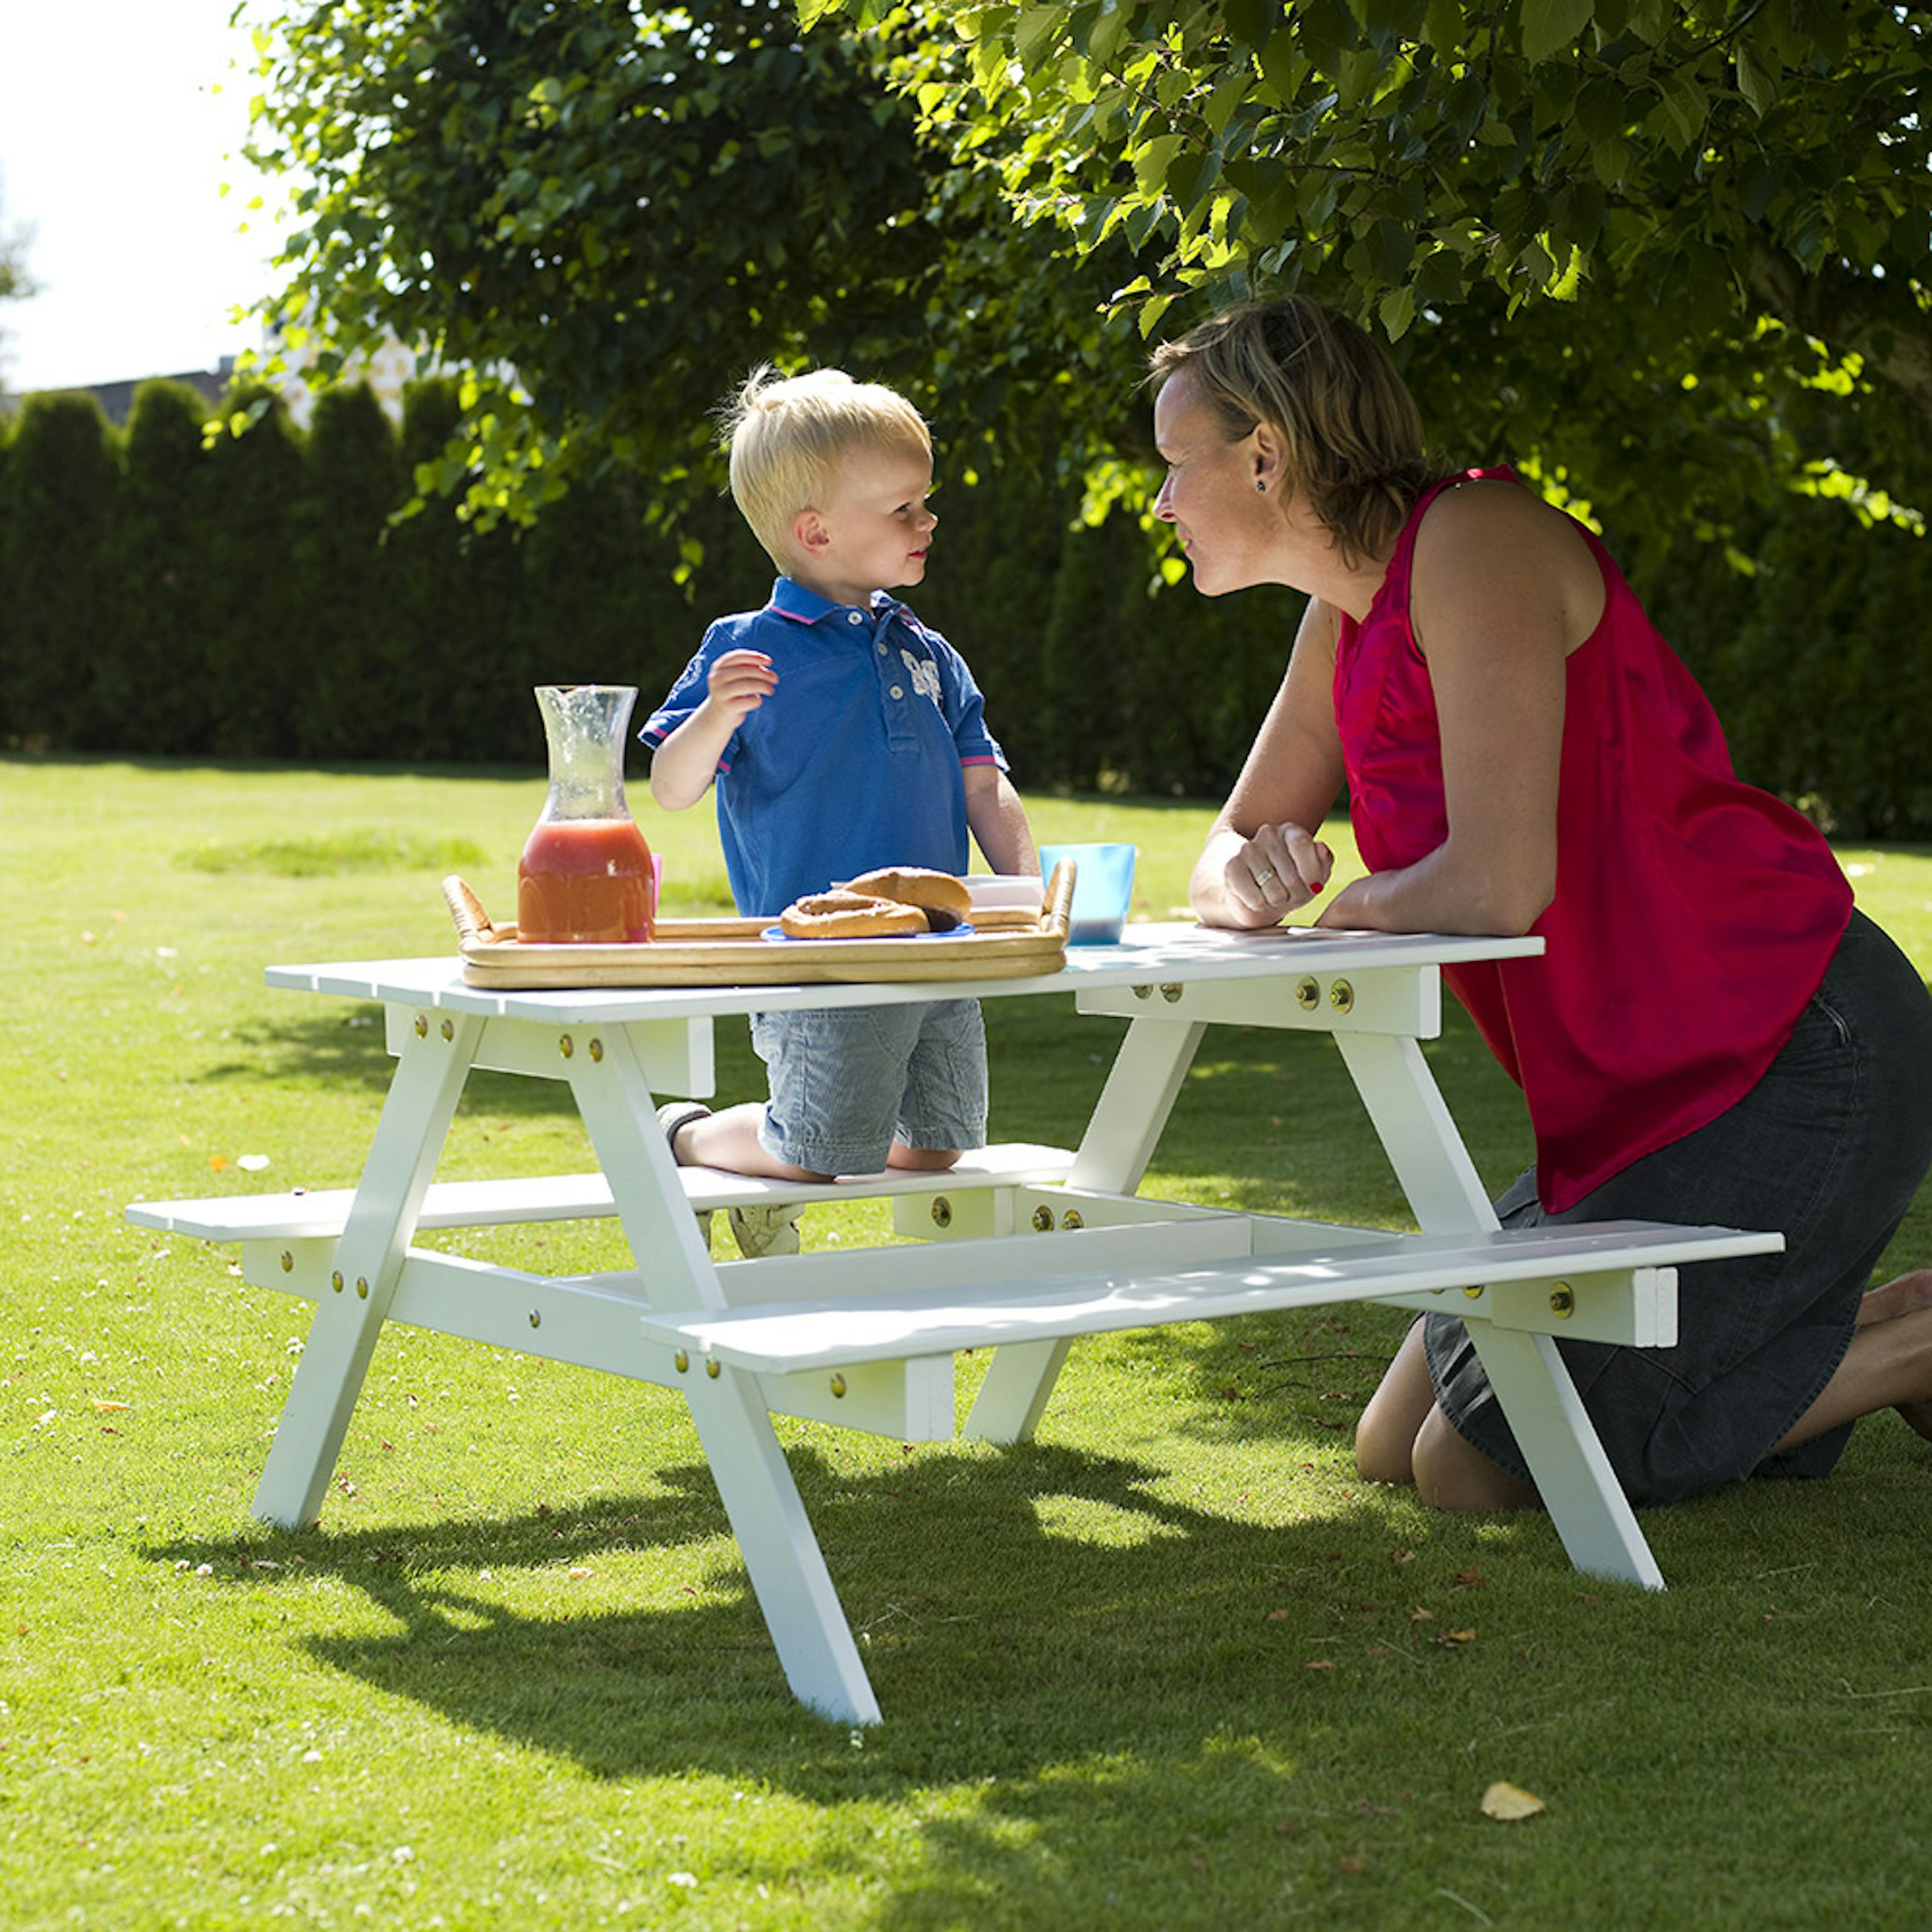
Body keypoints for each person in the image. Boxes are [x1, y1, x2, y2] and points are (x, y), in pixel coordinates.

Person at [1149, 294, 1932, 1509]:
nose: (1159, 503)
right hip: (1639, 1094)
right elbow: (1231, 846)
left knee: (1472, 1468)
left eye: (1170, 465)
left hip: (1793, 1049)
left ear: (1265, 453)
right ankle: (1894, 1321)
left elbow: (1500, 878)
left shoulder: (1475, 540)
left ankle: (1907, 1354)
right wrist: (1246, 885)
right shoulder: (1341, 618)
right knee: (1389, 1443)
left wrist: (1342, 908)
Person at [641, 366, 1036, 1255]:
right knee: (817, 1152)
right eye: (903, 508)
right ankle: (685, 1136)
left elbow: (984, 784)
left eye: (924, 502)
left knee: (936, 1147)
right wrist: (714, 717)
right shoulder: (745, 649)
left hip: (938, 951)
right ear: (815, 531)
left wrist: (1028, 889)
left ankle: (763, 1150)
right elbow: (672, 785)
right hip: (816, 959)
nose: (928, 520)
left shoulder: (931, 652)